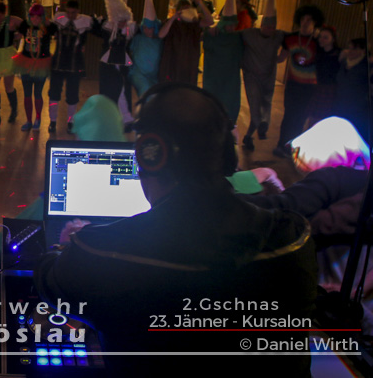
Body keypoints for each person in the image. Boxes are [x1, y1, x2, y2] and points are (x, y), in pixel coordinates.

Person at [34, 84, 316, 377]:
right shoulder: (293, 240)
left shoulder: (100, 252)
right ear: (227, 156)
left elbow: (48, 280)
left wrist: (66, 245)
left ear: (149, 156)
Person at [274, 4, 324, 158]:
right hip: (292, 83)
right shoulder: (290, 38)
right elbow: (281, 58)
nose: (305, 22)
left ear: (315, 22)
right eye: (303, 19)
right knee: (288, 114)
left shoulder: (318, 40)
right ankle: (281, 145)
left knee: (301, 116)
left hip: (310, 86)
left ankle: (293, 147)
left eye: (309, 20)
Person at [240, 0, 285, 151]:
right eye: (267, 26)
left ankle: (250, 135)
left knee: (266, 104)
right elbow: (231, 36)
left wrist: (283, 56)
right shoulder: (249, 34)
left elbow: (293, 40)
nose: (269, 29)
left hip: (268, 75)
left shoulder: (279, 35)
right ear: (262, 24)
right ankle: (259, 127)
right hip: (251, 75)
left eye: (272, 26)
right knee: (254, 106)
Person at [202, 0, 244, 129]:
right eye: (229, 25)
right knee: (213, 104)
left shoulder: (239, 38)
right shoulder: (213, 35)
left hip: (230, 78)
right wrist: (210, 31)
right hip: (214, 77)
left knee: (229, 104)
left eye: (233, 25)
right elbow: (206, 43)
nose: (231, 28)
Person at [90, 0, 137, 123]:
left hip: (123, 65)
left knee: (123, 91)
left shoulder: (130, 30)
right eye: (120, 20)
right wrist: (95, 21)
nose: (122, 23)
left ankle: (125, 118)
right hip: (107, 66)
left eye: (124, 20)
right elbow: (95, 30)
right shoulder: (108, 28)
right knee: (106, 91)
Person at [49, 0, 89, 133]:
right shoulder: (59, 21)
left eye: (73, 12)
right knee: (54, 93)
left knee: (72, 95)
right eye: (68, 12)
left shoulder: (83, 24)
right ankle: (52, 121)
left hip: (74, 64)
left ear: (78, 11)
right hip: (58, 63)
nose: (71, 15)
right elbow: (48, 30)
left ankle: (71, 122)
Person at [14, 4, 57, 131]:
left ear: (43, 17)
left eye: (38, 17)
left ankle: (38, 119)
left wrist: (49, 23)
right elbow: (17, 32)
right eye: (32, 16)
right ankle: (28, 120)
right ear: (29, 16)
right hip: (25, 63)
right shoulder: (25, 25)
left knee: (38, 93)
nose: (35, 19)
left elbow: (57, 29)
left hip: (42, 64)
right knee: (27, 94)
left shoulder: (48, 27)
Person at [128, 0, 171, 100]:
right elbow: (131, 51)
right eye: (145, 28)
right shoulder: (138, 38)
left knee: (155, 94)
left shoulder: (159, 41)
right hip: (138, 73)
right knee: (145, 90)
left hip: (154, 75)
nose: (147, 30)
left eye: (150, 28)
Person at [158, 0, 212, 85]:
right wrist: (173, 18)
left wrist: (200, 3)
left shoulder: (194, 24)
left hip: (189, 63)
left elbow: (210, 21)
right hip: (173, 63)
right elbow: (161, 35)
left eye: (188, 9)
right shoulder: (172, 23)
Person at [335, 38, 371, 141]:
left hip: (358, 109)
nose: (350, 51)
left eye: (354, 49)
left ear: (363, 50)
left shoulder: (367, 65)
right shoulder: (344, 62)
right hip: (340, 105)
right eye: (349, 48)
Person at [310, 25, 341, 127]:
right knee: (313, 116)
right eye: (320, 37)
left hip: (330, 89)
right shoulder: (318, 51)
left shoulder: (339, 53)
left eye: (325, 37)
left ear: (333, 39)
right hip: (317, 87)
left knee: (324, 117)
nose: (321, 40)